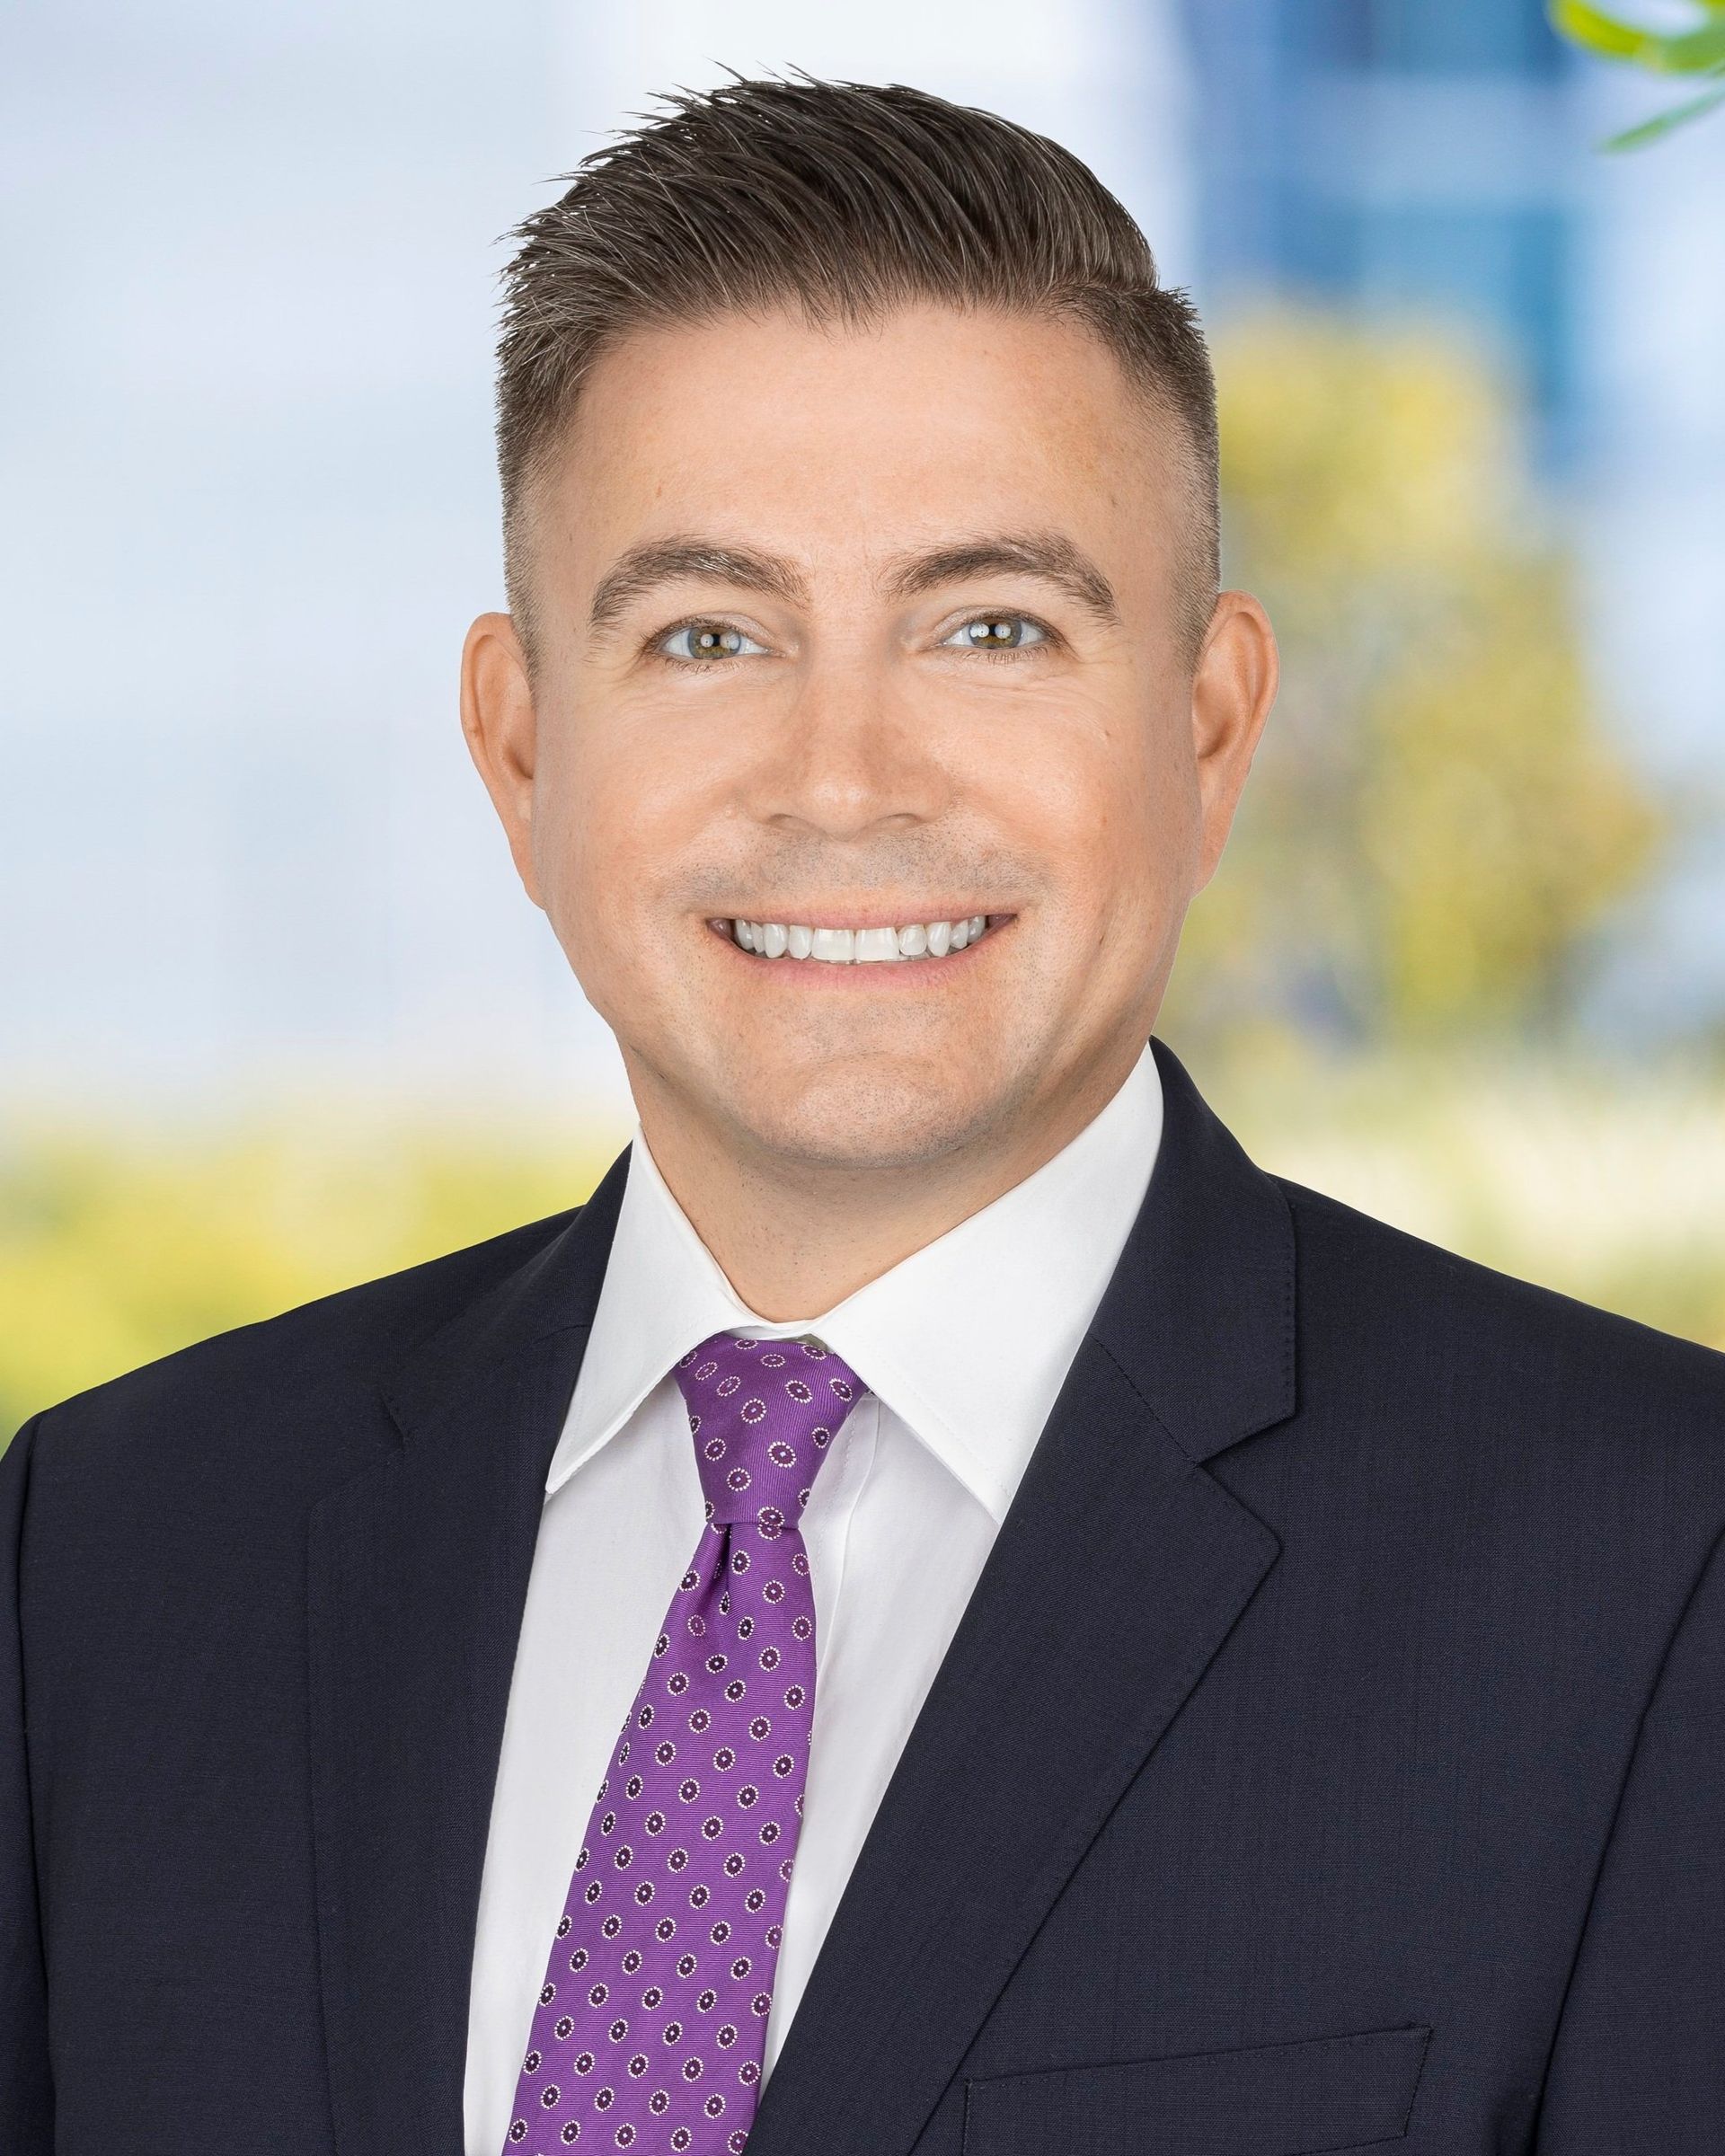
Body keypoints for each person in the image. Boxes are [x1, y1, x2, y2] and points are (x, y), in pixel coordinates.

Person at [4, 73, 1723, 2156]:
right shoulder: (107, 1554)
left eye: (991, 628)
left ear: (1210, 727)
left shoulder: (1650, 1572)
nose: (843, 778)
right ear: (523, 744)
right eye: (707, 633)